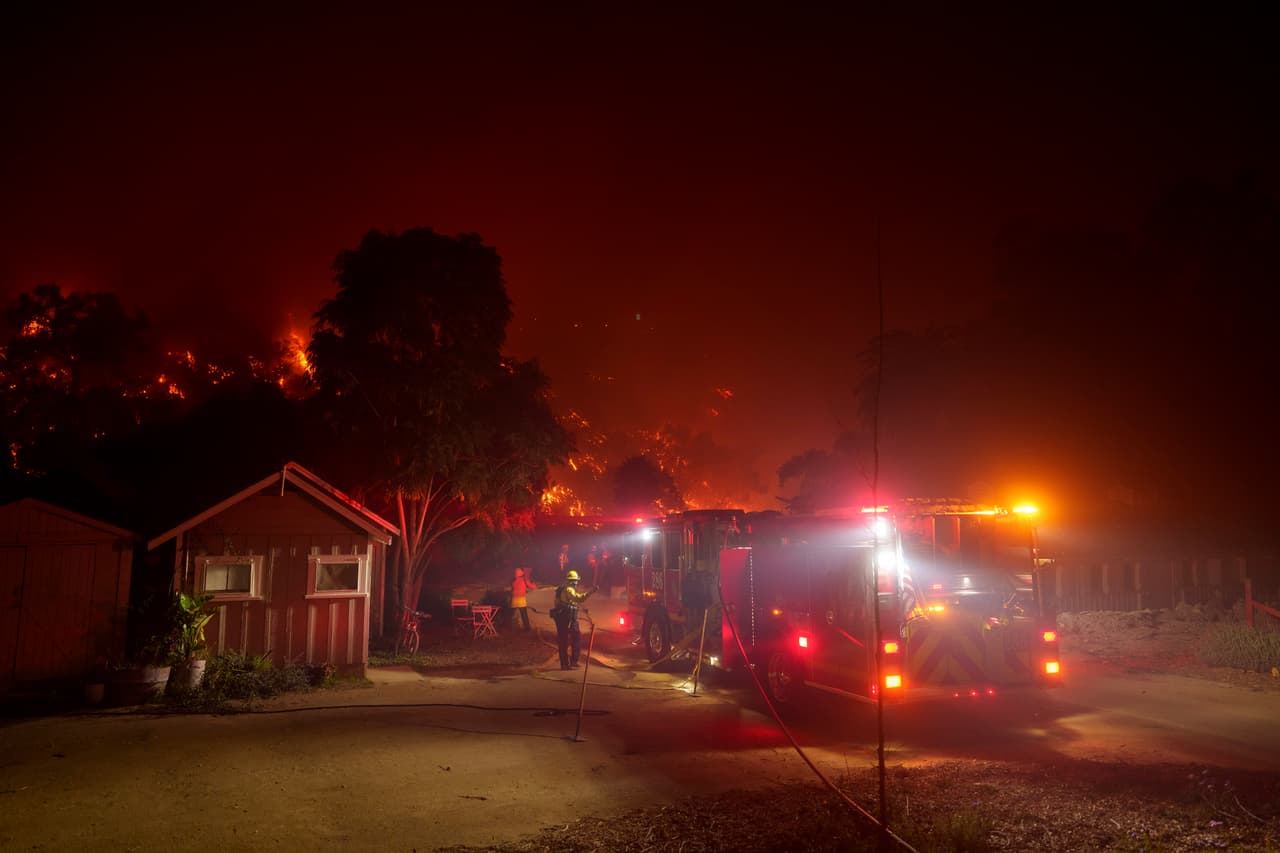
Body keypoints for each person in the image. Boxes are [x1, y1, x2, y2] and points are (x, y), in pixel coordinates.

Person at [551, 569, 595, 670]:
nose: (576, 583)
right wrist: (590, 592)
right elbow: (579, 599)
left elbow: (572, 602)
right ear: (572, 581)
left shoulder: (563, 588)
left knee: (563, 640)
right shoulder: (569, 589)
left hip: (562, 618)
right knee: (576, 638)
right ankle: (572, 661)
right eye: (575, 581)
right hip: (568, 619)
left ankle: (565, 664)